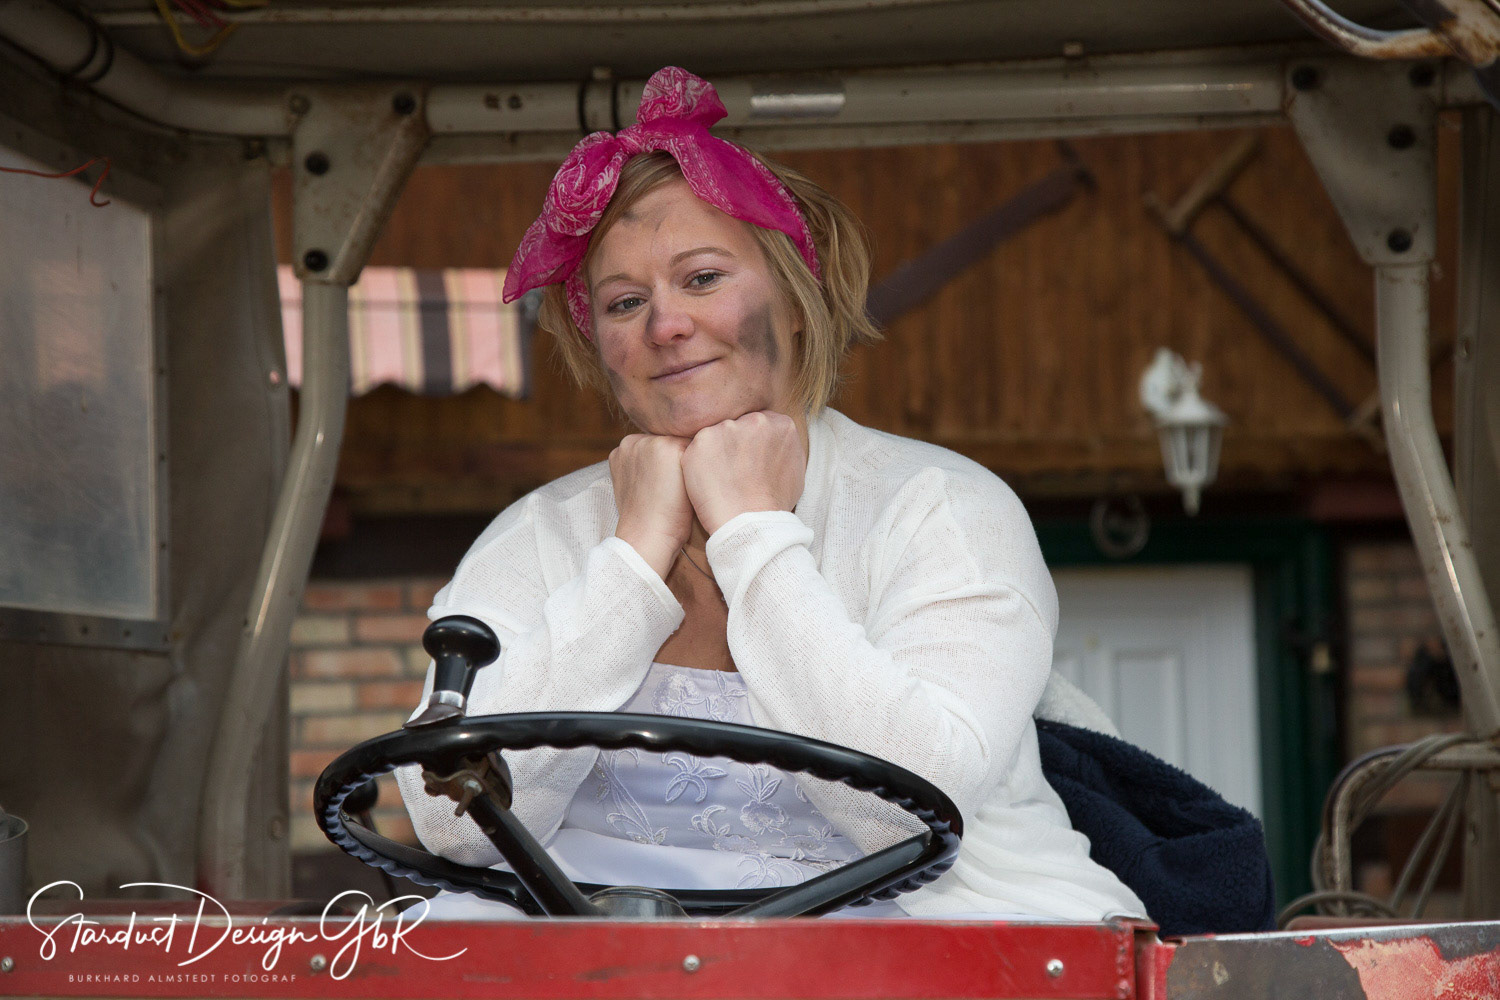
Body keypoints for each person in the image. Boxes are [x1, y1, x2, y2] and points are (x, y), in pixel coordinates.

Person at [396, 66, 1147, 922]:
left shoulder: (942, 508)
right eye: (624, 301)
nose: (665, 325)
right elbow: (451, 826)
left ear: (797, 299)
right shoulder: (535, 534)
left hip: (926, 952)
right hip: (589, 962)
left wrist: (753, 533)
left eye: (703, 278)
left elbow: (904, 812)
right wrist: (630, 564)